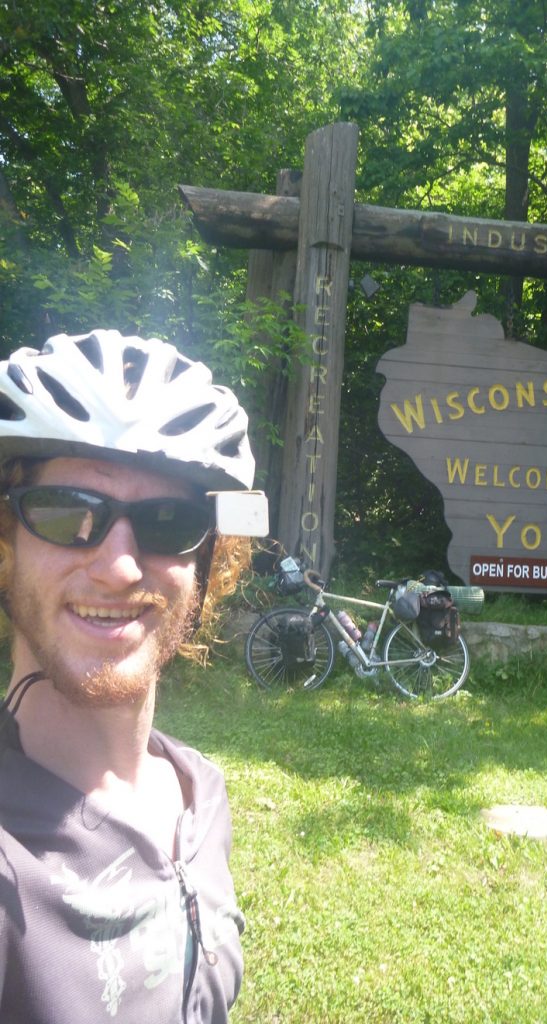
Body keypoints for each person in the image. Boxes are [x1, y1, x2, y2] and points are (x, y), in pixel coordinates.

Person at [0, 329, 267, 1023]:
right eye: (66, 514)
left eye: (168, 523)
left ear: (207, 566)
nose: (120, 567)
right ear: (6, 545)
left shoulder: (199, 795)